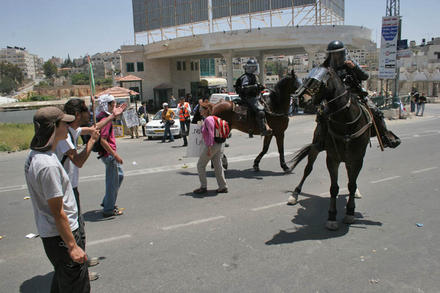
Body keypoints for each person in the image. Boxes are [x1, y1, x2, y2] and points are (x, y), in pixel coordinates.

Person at [25, 107, 90, 292]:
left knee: (63, 282)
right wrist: (72, 246)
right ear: (54, 127)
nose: (68, 126)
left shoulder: (36, 155)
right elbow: (58, 211)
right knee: (76, 286)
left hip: (54, 235)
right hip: (61, 236)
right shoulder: (47, 165)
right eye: (64, 123)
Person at [303, 40, 400, 149]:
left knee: (375, 111)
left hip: (355, 94)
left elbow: (365, 77)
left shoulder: (350, 63)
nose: (335, 57)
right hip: (335, 98)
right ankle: (319, 140)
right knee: (321, 115)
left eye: (337, 54)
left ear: (342, 53)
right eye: (333, 54)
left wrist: (354, 67)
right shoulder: (326, 68)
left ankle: (384, 136)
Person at [96, 95, 125, 218]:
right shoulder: (105, 119)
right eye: (112, 105)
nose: (114, 107)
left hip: (107, 154)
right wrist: (115, 155)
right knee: (112, 182)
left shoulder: (103, 117)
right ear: (106, 105)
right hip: (109, 155)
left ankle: (107, 201)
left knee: (119, 176)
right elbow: (103, 140)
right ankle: (108, 209)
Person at [193, 101, 228, 194]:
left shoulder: (208, 119)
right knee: (217, 166)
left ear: (206, 110)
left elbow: (211, 134)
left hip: (212, 145)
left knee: (200, 165)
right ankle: (223, 186)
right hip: (218, 144)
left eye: (201, 109)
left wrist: (209, 148)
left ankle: (203, 187)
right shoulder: (212, 118)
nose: (199, 111)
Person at [234, 59, 272, 136]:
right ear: (248, 68)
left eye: (254, 67)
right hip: (248, 97)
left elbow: (256, 86)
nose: (253, 69)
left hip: (255, 96)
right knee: (260, 111)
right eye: (252, 67)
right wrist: (255, 86)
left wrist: (260, 87)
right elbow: (244, 87)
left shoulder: (254, 76)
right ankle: (262, 130)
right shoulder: (246, 77)